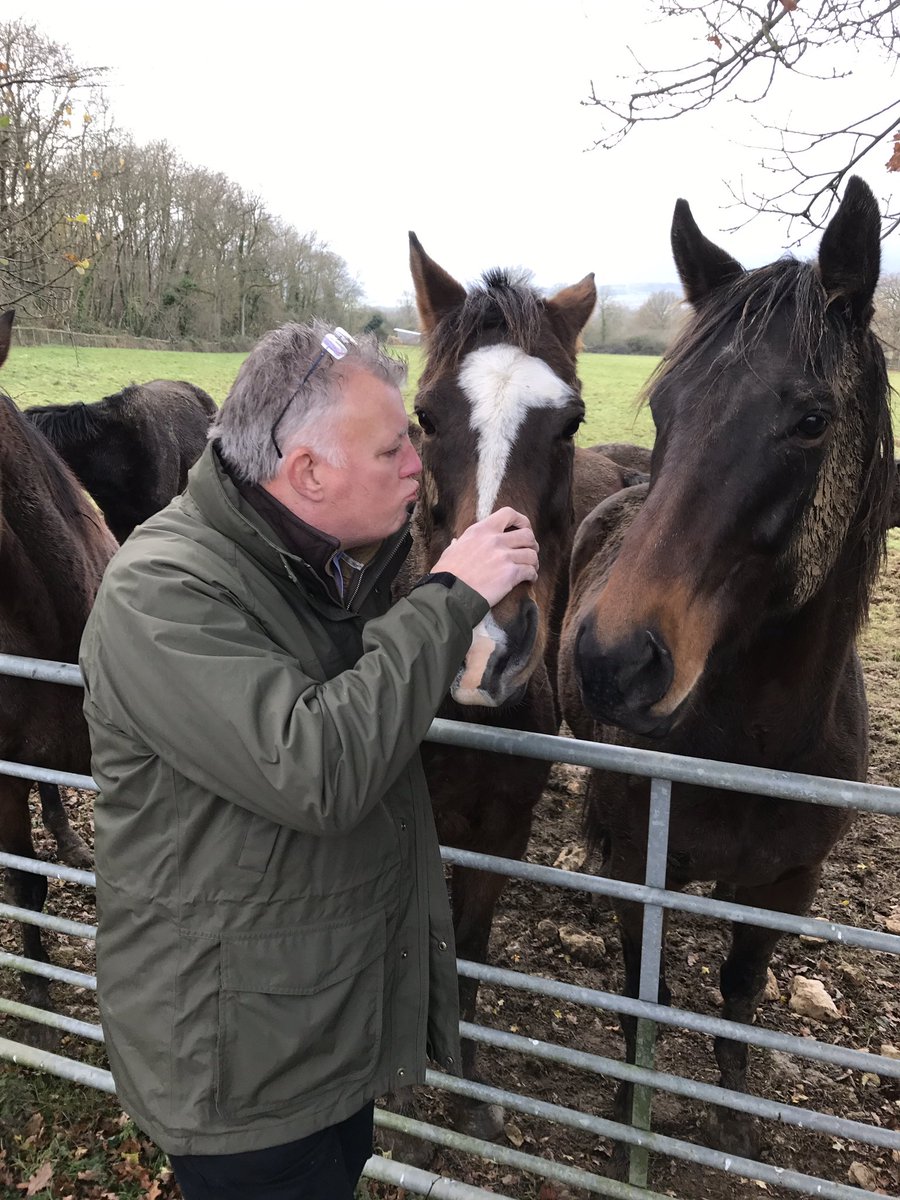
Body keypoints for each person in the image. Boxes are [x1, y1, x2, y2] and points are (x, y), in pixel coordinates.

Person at [78, 320, 539, 1200]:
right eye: (394, 446)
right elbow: (318, 767)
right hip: (236, 1072)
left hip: (312, 1033)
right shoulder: (161, 593)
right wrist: (448, 600)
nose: (418, 463)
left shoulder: (319, 564)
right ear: (309, 474)